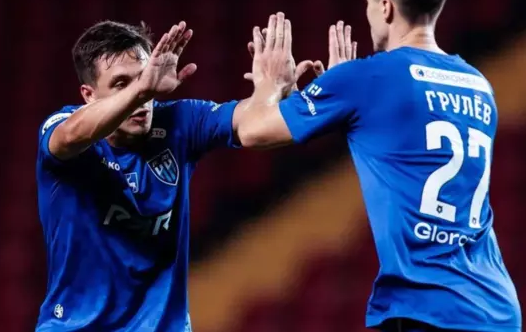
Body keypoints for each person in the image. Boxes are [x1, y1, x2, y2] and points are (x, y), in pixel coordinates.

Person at [234, 0, 521, 332]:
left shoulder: (369, 77)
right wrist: (345, 101)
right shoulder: (478, 85)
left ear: (385, 7)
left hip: (427, 309)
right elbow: (407, 148)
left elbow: (252, 132)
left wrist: (271, 84)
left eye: (368, 2)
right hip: (496, 309)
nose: (368, 12)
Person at [35, 19, 316, 331]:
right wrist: (142, 89)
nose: (143, 95)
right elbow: (70, 135)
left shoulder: (180, 121)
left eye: (144, 76)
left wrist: (273, 92)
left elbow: (254, 127)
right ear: (89, 95)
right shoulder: (64, 128)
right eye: (121, 83)